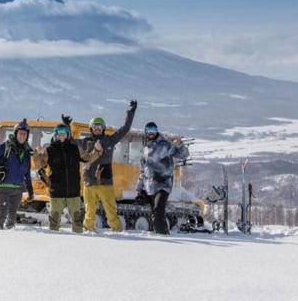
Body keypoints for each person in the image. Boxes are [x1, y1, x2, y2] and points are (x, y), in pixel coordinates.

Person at [66, 100, 137, 232]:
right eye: (94, 127)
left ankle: (117, 232)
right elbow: (69, 141)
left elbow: (125, 129)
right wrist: (67, 126)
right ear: (91, 129)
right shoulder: (85, 142)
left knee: (111, 212)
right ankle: (88, 232)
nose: (97, 129)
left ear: (103, 128)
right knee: (89, 212)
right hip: (89, 183)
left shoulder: (109, 140)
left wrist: (130, 112)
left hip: (105, 182)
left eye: (100, 126)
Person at [33, 123, 103, 233]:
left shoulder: (75, 148)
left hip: (73, 191)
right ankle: (53, 242)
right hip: (56, 191)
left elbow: (87, 158)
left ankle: (78, 242)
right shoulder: (49, 150)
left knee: (77, 221)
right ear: (55, 135)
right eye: (59, 133)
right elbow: (39, 165)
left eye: (64, 133)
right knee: (54, 221)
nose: (61, 135)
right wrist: (37, 154)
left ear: (67, 134)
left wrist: (97, 151)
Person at [136, 121, 189, 235]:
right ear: (146, 132)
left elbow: (184, 155)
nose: (151, 133)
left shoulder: (165, 145)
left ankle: (163, 237)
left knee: (158, 212)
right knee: (154, 214)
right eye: (148, 130)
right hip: (149, 186)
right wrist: (139, 187)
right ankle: (160, 235)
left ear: (156, 131)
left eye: (153, 130)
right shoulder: (145, 149)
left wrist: (179, 144)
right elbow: (143, 170)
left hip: (163, 184)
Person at [0, 119, 34, 230]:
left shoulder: (26, 152)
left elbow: (27, 172)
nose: (22, 136)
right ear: (15, 133)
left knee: (12, 216)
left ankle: (9, 238)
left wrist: (30, 190)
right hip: (4, 187)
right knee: (2, 213)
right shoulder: (6, 147)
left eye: (25, 134)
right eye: (20, 133)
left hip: (18, 189)